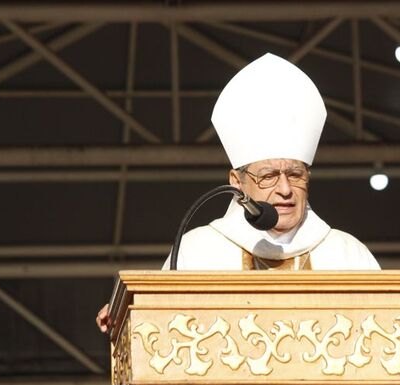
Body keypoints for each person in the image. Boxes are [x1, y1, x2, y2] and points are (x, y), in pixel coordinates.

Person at [96, 53, 379, 332]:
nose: (285, 190)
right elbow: (159, 333)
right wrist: (129, 321)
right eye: (268, 176)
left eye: (295, 175)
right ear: (236, 181)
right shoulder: (198, 253)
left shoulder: (347, 255)